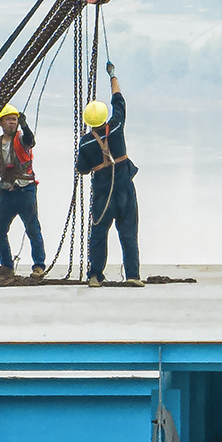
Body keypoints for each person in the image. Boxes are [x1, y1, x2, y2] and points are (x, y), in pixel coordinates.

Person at [75, 62, 142, 287]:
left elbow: (82, 169)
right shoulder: (115, 127)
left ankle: (95, 275)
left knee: (99, 233)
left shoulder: (85, 144)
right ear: (104, 116)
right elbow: (119, 102)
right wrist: (113, 76)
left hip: (103, 191)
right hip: (123, 187)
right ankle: (132, 275)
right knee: (128, 232)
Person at [0, 103, 47, 282]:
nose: (12, 123)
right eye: (9, 120)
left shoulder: (21, 139)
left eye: (14, 120)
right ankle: (6, 266)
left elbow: (30, 140)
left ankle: (38, 266)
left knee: (32, 228)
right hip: (6, 193)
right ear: (1, 123)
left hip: (25, 190)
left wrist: (25, 125)